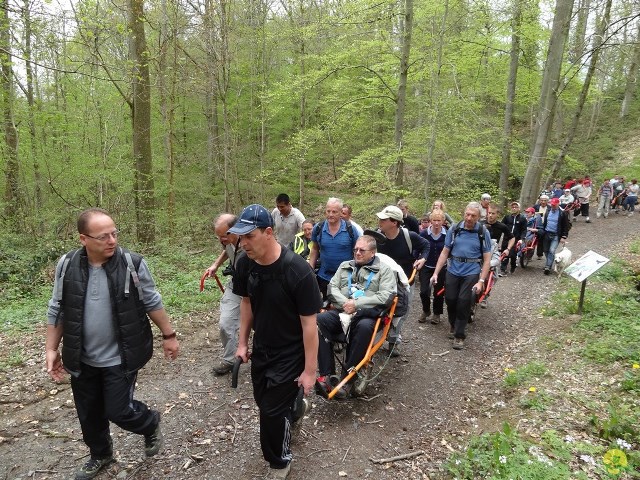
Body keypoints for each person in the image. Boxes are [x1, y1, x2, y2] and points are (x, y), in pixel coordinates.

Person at [45, 208, 179, 480]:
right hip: (81, 356)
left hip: (122, 355)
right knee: (89, 412)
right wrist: (51, 348)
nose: (112, 240)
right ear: (84, 239)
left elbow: (151, 301)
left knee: (118, 410)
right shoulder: (67, 264)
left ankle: (150, 422)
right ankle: (101, 454)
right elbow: (57, 308)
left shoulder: (132, 263)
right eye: (103, 236)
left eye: (114, 233)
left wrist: (169, 335)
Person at [230, 204, 321, 480]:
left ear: (269, 233)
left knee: (270, 410)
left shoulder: (297, 271)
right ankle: (296, 409)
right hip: (263, 347)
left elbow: (310, 325)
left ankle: (279, 461)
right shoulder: (244, 264)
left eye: (249, 236)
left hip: (291, 350)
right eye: (239, 237)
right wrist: (243, 343)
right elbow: (246, 303)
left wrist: (309, 371)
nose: (242, 243)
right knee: (263, 400)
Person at [315, 235, 396, 399]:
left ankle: (347, 379)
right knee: (318, 321)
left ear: (373, 253)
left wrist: (357, 304)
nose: (357, 253)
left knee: (364, 327)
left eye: (362, 250)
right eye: (355, 250)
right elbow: (332, 288)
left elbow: (386, 296)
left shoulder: (385, 271)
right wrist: (347, 303)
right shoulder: (345, 266)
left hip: (367, 315)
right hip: (342, 310)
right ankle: (327, 376)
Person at [430, 202, 492, 350]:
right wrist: (436, 273)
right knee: (450, 299)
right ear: (464, 213)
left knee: (464, 301)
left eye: (473, 216)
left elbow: (487, 259)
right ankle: (453, 324)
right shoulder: (455, 229)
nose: (469, 218)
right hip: (453, 269)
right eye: (467, 214)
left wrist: (481, 281)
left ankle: (459, 335)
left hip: (471, 271)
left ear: (479, 217)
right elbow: (445, 252)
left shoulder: (483, 232)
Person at [376, 205, 429, 355]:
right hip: (381, 281)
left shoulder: (409, 236)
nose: (379, 221)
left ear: (394, 222)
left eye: (383, 219)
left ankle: (393, 341)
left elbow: (426, 245)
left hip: (405, 281)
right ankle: (375, 337)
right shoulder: (377, 237)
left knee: (400, 312)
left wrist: (423, 259)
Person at [203, 213, 243, 375]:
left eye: (223, 235)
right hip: (235, 286)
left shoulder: (250, 241)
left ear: (236, 230)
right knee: (226, 323)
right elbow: (227, 250)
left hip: (256, 290)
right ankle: (230, 360)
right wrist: (216, 265)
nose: (221, 240)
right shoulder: (227, 240)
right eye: (218, 236)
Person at [308, 197, 361, 300]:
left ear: (341, 213)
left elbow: (358, 251)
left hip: (346, 278)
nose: (330, 214)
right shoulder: (318, 228)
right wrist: (310, 269)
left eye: (334, 212)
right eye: (328, 211)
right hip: (324, 277)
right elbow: (315, 249)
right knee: (323, 306)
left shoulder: (350, 229)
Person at [418, 209, 447, 324]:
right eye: (434, 220)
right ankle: (426, 310)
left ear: (443, 221)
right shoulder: (424, 233)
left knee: (438, 292)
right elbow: (418, 247)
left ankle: (437, 313)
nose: (436, 223)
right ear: (430, 221)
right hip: (426, 265)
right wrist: (416, 259)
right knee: (424, 291)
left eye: (439, 220)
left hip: (441, 268)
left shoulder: (447, 234)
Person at [540, 198, 570, 275]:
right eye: (551, 204)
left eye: (554, 204)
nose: (552, 206)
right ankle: (550, 261)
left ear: (558, 204)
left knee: (552, 250)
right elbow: (545, 222)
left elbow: (566, 226)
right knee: (545, 250)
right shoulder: (548, 211)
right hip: (547, 233)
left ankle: (548, 267)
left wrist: (564, 236)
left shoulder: (562, 213)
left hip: (556, 235)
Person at [500, 201, 527, 276]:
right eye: (513, 207)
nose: (514, 208)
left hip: (516, 239)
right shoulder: (507, 217)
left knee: (512, 254)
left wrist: (522, 238)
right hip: (506, 238)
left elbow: (524, 229)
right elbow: (501, 226)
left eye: (516, 207)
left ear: (519, 208)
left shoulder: (522, 218)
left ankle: (513, 266)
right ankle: (503, 269)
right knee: (504, 253)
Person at [533, 195, 550, 259]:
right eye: (542, 200)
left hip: (545, 226)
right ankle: (529, 254)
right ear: (539, 200)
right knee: (532, 239)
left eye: (545, 200)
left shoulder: (550, 208)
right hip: (535, 225)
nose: (543, 202)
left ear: (547, 201)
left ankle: (539, 254)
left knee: (541, 240)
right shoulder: (535, 207)